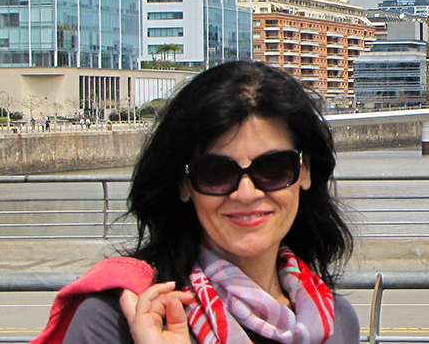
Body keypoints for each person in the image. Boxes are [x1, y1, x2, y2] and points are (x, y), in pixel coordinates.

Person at [34, 61, 358, 344]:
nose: (246, 193)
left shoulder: (335, 321)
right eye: (216, 172)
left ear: (304, 172)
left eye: (272, 168)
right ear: (185, 184)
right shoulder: (117, 321)